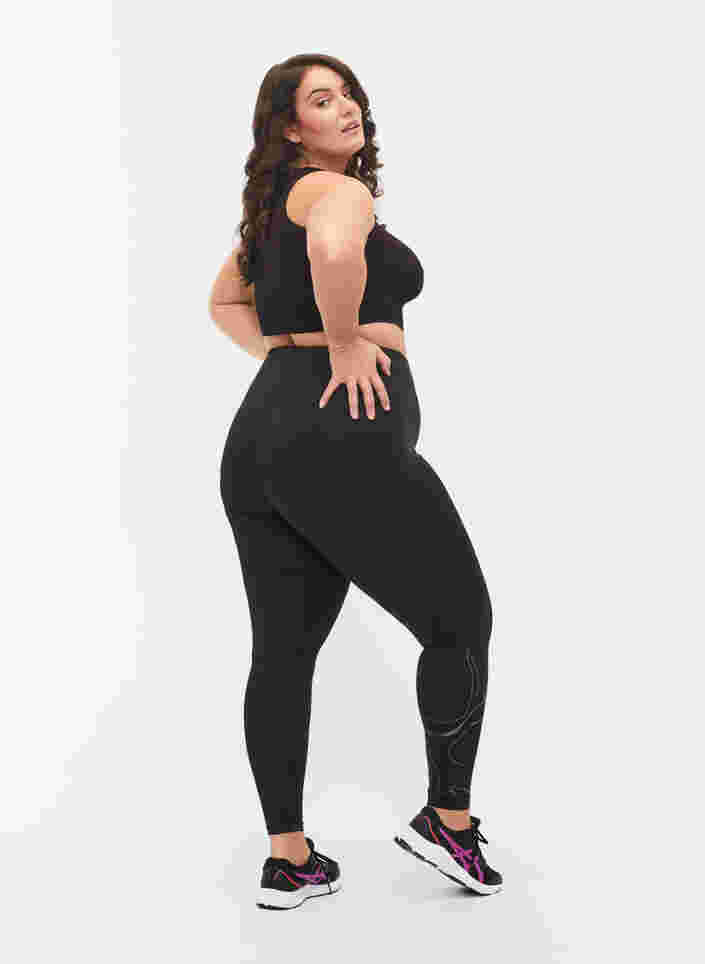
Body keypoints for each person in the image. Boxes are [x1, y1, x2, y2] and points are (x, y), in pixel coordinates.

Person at [210, 55, 504, 910]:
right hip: (341, 438)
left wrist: (289, 358)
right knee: (460, 621)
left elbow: (224, 303)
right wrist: (339, 343)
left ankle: (288, 858)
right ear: (289, 126)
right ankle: (448, 822)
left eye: (349, 94)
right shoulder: (336, 193)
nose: (347, 108)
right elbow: (336, 248)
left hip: (258, 443)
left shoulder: (271, 211)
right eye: (321, 98)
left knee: (282, 652)